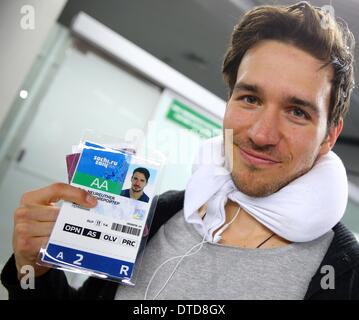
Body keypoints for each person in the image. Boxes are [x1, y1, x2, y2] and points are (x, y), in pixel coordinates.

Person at [1, 1, 359, 300]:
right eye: (250, 98)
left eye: (297, 112)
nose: (262, 134)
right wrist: (33, 269)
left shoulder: (344, 273)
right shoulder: (161, 214)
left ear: (329, 136)